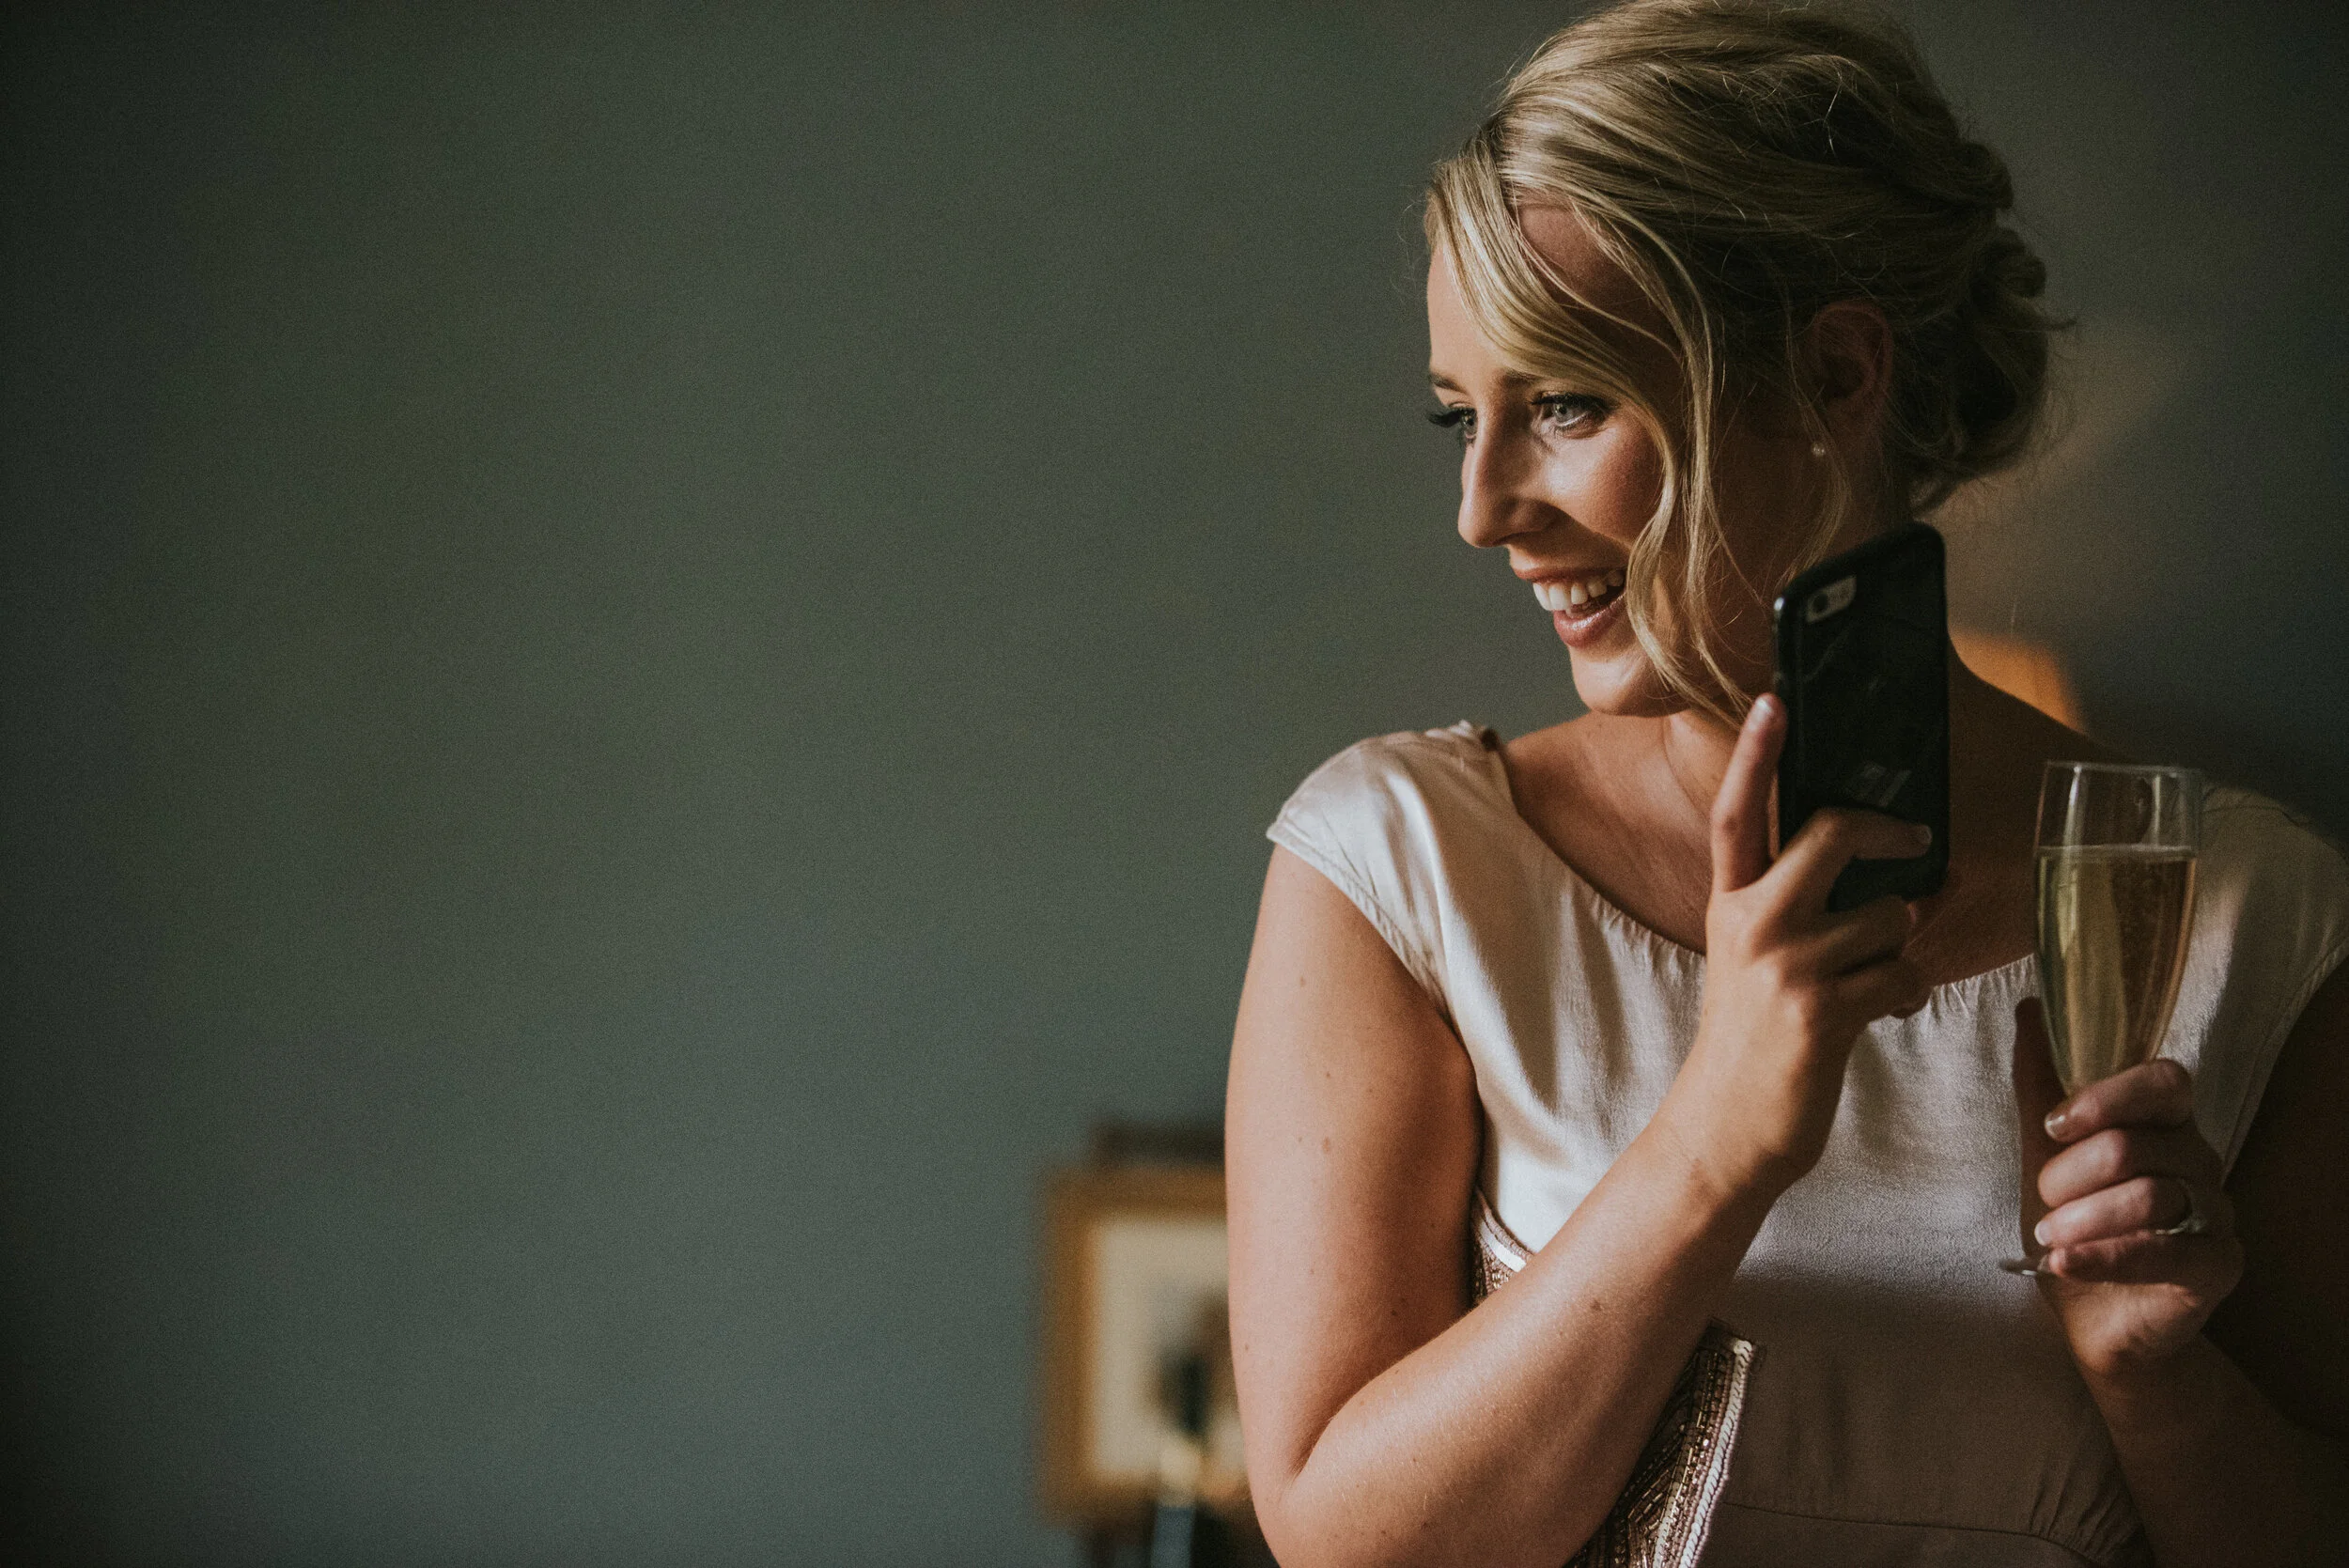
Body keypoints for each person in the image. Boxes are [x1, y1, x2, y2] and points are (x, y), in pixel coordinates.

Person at [1222, 2, 2349, 1563]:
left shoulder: (2243, 911)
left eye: (1563, 406)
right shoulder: (1402, 871)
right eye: (1456, 418)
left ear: (1832, 374)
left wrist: (2158, 1381)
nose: (1484, 511)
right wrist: (1717, 1138)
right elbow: (1347, 1546)